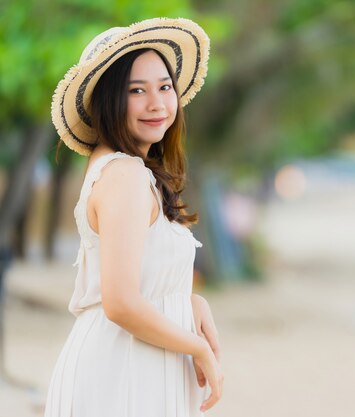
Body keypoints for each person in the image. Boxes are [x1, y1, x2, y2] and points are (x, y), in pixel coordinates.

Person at [45, 18, 223, 416]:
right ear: (108, 100)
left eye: (164, 87)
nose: (157, 103)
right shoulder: (123, 174)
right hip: (122, 373)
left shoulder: (127, 170)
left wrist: (189, 301)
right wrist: (197, 348)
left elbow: (137, 279)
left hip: (136, 366)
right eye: (136, 91)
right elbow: (121, 303)